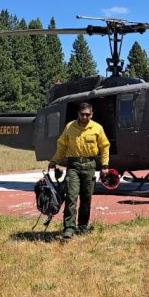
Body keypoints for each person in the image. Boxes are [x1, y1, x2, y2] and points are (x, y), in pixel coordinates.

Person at [48, 102, 110, 240]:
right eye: (83, 114)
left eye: (88, 114)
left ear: (92, 114)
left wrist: (105, 166)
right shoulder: (70, 127)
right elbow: (62, 146)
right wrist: (54, 161)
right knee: (71, 196)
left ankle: (82, 227)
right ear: (78, 114)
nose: (85, 117)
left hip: (90, 165)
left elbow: (105, 146)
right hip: (73, 166)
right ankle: (69, 228)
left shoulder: (97, 128)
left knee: (86, 198)